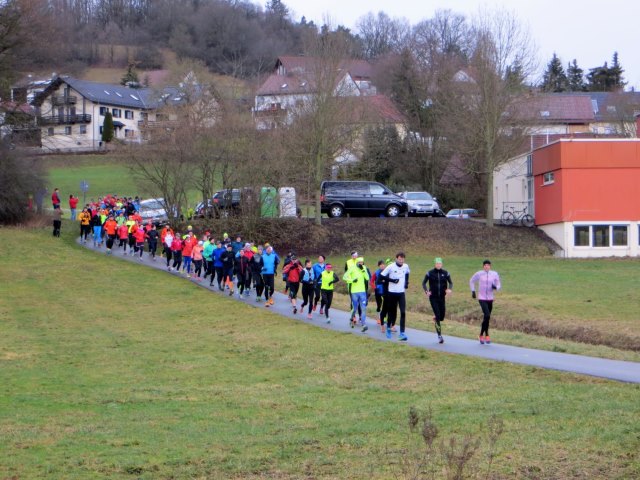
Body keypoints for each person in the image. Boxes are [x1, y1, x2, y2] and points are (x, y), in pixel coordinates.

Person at [469, 259, 501, 345]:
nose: (486, 266)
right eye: (485, 265)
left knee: (487, 317)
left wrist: (496, 287)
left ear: (490, 266)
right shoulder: (479, 273)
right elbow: (471, 281)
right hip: (482, 298)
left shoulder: (494, 274)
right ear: (483, 266)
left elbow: (499, 284)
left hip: (490, 298)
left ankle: (486, 335)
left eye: (488, 265)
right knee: (486, 315)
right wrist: (473, 291)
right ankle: (481, 335)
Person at [422, 257, 453, 344]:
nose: (438, 265)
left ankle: (436, 318)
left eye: (439, 264)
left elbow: (451, 282)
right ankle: (439, 336)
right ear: (434, 264)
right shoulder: (430, 273)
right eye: (437, 264)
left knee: (442, 316)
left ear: (441, 264)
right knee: (438, 316)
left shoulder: (445, 273)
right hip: (433, 298)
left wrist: (449, 289)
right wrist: (426, 291)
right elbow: (423, 283)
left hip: (442, 298)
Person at [380, 252, 410, 341]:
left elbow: (407, 273)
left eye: (402, 259)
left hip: (401, 293)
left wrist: (406, 283)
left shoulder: (406, 266)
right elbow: (381, 277)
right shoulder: (391, 267)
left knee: (403, 312)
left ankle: (402, 333)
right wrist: (392, 280)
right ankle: (388, 328)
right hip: (392, 293)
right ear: (396, 259)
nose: (401, 261)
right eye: (399, 259)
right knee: (391, 312)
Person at [343, 256, 370, 332]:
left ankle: (364, 324)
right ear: (357, 263)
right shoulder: (352, 268)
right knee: (355, 308)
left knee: (363, 308)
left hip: (362, 291)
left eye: (362, 262)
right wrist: (352, 280)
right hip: (354, 291)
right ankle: (351, 318)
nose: (361, 264)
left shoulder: (364, 268)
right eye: (360, 263)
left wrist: (363, 271)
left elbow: (367, 278)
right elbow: (344, 277)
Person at [371, 260, 387, 332]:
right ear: (379, 266)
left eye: (384, 265)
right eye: (381, 265)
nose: (383, 266)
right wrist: (375, 288)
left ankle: (384, 318)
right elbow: (371, 281)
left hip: (385, 291)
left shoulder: (387, 272)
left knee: (386, 304)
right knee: (379, 305)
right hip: (378, 291)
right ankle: (378, 318)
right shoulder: (376, 273)